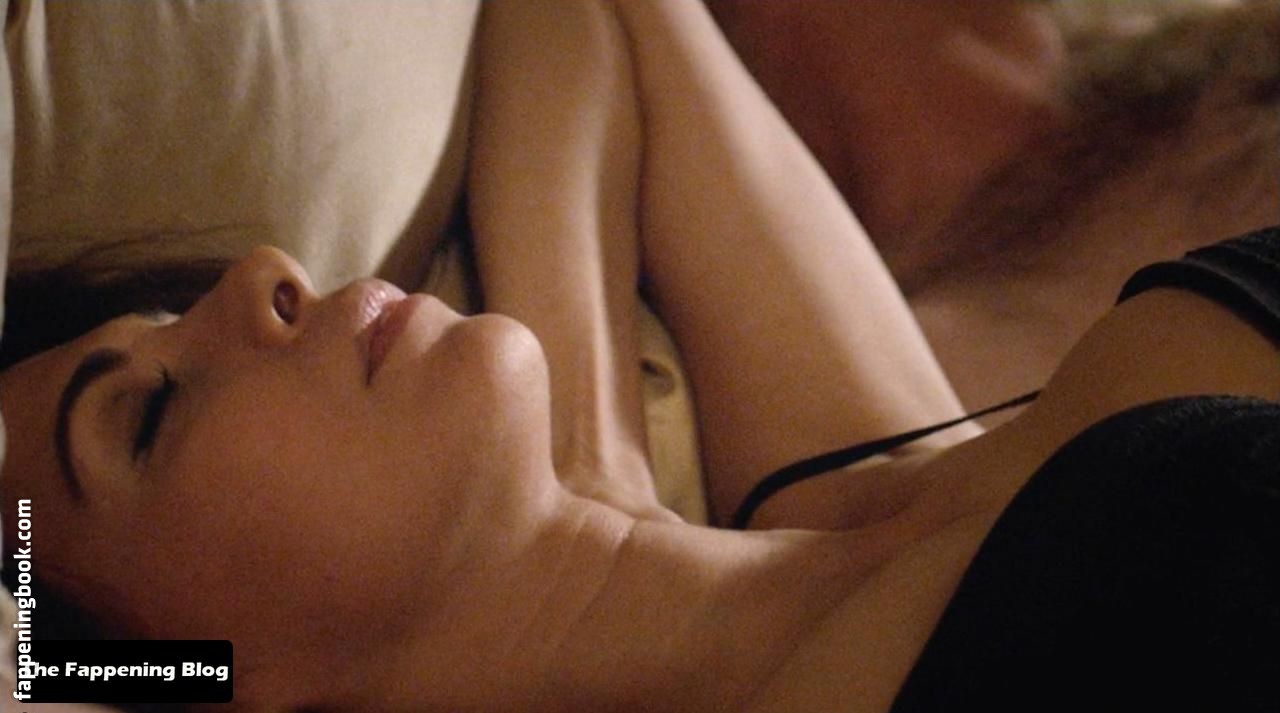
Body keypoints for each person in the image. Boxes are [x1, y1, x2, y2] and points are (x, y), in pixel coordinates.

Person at [1, 1, 1277, 711]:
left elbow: (591, 18)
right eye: (148, 414)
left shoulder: (856, 490)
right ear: (210, 680)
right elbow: (27, 660)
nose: (262, 276)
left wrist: (585, 469)